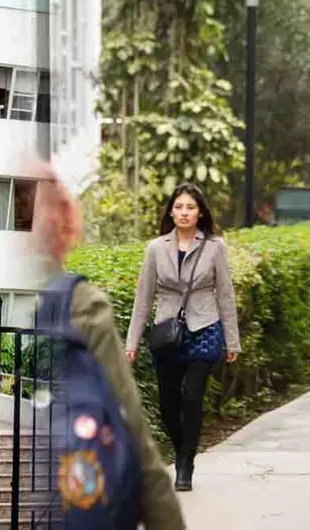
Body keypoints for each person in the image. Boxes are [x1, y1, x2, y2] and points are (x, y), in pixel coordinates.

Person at [29, 163, 185, 529]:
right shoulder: (80, 304)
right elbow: (132, 426)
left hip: (198, 337)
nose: (183, 212)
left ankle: (188, 464)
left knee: (187, 401)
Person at [125, 183, 240, 492]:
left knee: (192, 396)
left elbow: (226, 296)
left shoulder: (215, 246)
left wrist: (232, 340)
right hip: (167, 333)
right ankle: (182, 449)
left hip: (205, 327)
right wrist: (131, 343)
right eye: (179, 207)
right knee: (167, 405)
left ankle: (185, 465)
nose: (184, 212)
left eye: (190, 207)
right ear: (171, 212)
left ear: (199, 211)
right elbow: (143, 299)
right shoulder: (155, 248)